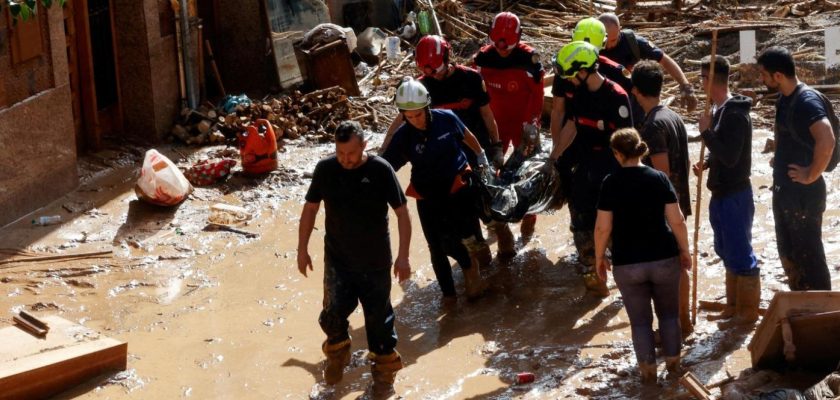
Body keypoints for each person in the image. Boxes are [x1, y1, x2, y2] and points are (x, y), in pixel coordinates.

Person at [297, 121, 412, 395]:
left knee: (379, 322)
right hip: (338, 260)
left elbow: (403, 213)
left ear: (364, 145)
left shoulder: (380, 170)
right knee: (331, 315)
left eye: (351, 154)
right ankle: (337, 353)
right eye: (340, 153)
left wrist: (403, 256)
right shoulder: (325, 169)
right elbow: (311, 209)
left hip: (375, 262)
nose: (346, 160)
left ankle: (384, 375)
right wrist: (302, 249)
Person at [380, 34, 507, 260]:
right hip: (449, 158)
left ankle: (503, 237)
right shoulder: (421, 88)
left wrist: (496, 147)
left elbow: (487, 115)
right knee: (466, 214)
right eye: (425, 70)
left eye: (435, 68)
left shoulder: (471, 79)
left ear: (447, 58)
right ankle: (480, 259)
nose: (431, 74)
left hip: (475, 148)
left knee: (489, 206)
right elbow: (399, 122)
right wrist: (381, 153)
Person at [594, 128, 691, 384]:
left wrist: (599, 257)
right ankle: (674, 366)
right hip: (663, 257)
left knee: (640, 323)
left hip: (628, 263)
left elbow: (603, 227)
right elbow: (677, 221)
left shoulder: (609, 183)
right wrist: (685, 250)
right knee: (669, 316)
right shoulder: (659, 178)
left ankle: (648, 374)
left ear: (617, 153)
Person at [382, 78, 490, 303]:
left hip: (458, 186)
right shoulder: (403, 136)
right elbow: (388, 166)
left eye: (418, 115)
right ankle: (448, 296)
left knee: (466, 236)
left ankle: (473, 267)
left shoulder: (447, 119)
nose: (415, 120)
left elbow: (467, 136)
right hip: (427, 192)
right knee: (436, 246)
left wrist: (481, 156)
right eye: (408, 117)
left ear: (427, 107)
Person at [549, 41, 634, 297]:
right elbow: (572, 126)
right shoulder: (580, 94)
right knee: (582, 227)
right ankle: (595, 281)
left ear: (584, 71)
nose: (569, 82)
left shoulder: (617, 97)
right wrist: (553, 157)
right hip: (585, 168)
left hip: (611, 170)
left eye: (571, 76)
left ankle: (629, 286)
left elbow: (628, 147)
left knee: (618, 233)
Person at [757, 46, 835, 291]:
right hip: (787, 191)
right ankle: (802, 310)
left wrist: (812, 173)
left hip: (804, 195)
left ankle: (822, 316)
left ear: (778, 75)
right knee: (790, 255)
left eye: (764, 75)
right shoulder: (785, 99)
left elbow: (827, 139)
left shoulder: (806, 101)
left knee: (809, 257)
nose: (762, 80)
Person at [693, 55, 761, 328]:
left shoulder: (733, 113)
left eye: (701, 78)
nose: (700, 83)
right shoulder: (720, 109)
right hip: (722, 192)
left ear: (710, 80)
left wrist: (706, 134)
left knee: (740, 251)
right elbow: (725, 152)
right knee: (725, 248)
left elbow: (732, 156)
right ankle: (733, 307)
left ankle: (747, 313)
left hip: (735, 194)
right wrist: (708, 162)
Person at [630, 60, 693, 336]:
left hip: (664, 210)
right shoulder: (672, 115)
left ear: (635, 91)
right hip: (679, 202)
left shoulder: (652, 126)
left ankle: (676, 325)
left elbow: (662, 172)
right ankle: (684, 321)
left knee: (669, 271)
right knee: (680, 264)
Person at [474, 11, 545, 244]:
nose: (502, 49)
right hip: (496, 125)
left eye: (508, 45)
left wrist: (532, 125)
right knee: (490, 170)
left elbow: (538, 96)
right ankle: (496, 219)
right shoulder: (483, 58)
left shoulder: (530, 61)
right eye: (497, 44)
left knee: (528, 172)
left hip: (524, 125)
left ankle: (529, 218)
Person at [598, 12, 697, 112]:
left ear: (620, 29)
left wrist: (685, 85)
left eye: (613, 40)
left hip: (634, 106)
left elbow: (665, 60)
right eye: (605, 41)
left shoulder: (633, 43)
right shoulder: (592, 46)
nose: (609, 46)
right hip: (604, 105)